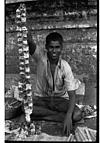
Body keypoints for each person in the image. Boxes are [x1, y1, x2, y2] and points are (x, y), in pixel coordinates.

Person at [28, 31, 82, 136]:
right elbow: (31, 46)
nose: (54, 51)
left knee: (77, 115)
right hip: (42, 99)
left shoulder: (65, 66)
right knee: (26, 109)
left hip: (60, 101)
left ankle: (54, 116)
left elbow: (72, 94)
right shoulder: (40, 57)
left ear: (61, 48)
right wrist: (29, 39)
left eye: (57, 47)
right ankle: (59, 117)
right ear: (46, 47)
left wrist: (69, 114)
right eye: (51, 47)